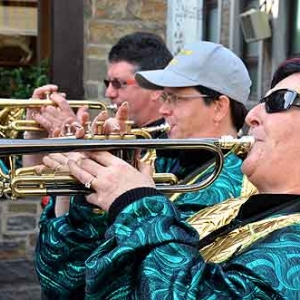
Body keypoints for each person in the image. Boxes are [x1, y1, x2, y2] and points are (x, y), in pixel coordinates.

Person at [38, 57, 300, 298]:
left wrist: (136, 204)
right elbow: (73, 284)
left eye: (278, 101)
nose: (252, 115)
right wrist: (86, 199)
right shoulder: (232, 210)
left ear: (219, 107)